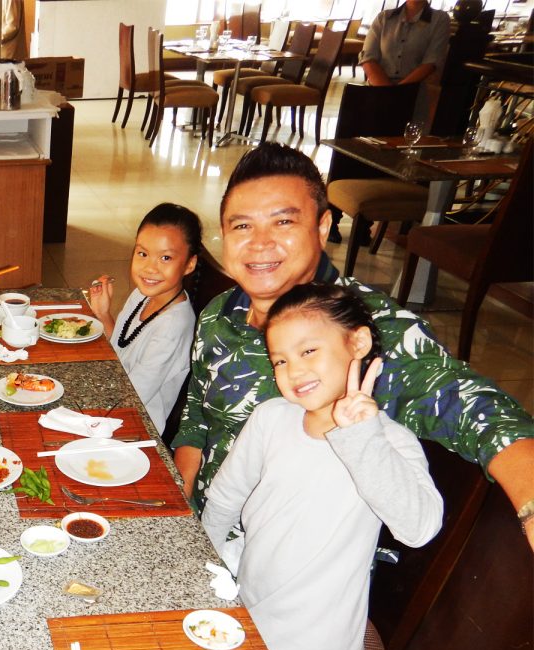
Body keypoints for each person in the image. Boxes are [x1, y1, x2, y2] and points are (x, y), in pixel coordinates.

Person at [172, 142, 534, 549]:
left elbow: (470, 405)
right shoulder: (222, 313)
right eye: (242, 226)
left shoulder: (364, 329)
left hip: (290, 562)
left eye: (283, 222)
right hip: (204, 527)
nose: (259, 243)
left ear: (322, 227)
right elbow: (197, 411)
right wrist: (181, 485)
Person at [202, 284, 442, 650]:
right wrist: (199, 569)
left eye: (309, 351)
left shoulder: (387, 442)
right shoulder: (271, 418)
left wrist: (361, 436)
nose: (294, 371)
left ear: (358, 342)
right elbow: (224, 499)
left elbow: (420, 527)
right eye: (280, 360)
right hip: (246, 611)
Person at [87, 203, 201, 434]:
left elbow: (132, 395)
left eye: (165, 258)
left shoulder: (173, 325)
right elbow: (121, 350)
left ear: (189, 264)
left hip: (134, 423)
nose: (150, 268)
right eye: (143, 254)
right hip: (113, 397)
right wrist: (103, 314)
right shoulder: (143, 294)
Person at [360, 0, 451, 88]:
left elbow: (431, 61)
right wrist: (386, 91)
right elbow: (368, 57)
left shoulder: (439, 19)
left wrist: (397, 92)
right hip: (377, 88)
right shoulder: (384, 17)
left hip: (413, 91)